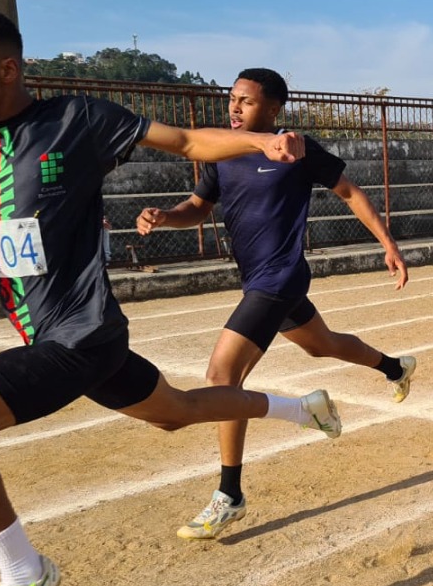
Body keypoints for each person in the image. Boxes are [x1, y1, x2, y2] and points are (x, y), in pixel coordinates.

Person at [0, 9, 344, 586]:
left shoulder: (77, 120)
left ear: (7, 69)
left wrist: (260, 143)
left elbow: (185, 141)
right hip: (47, 333)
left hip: (80, 335)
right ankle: (302, 408)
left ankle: (23, 573)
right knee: (176, 412)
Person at [136, 67, 414, 541]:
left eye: (245, 101)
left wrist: (388, 243)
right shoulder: (222, 151)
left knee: (222, 375)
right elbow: (197, 208)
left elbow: (349, 192)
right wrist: (165, 216)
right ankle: (395, 368)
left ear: (273, 108)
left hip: (280, 277)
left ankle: (229, 494)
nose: (234, 107)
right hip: (257, 280)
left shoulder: (297, 148)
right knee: (322, 344)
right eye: (232, 99)